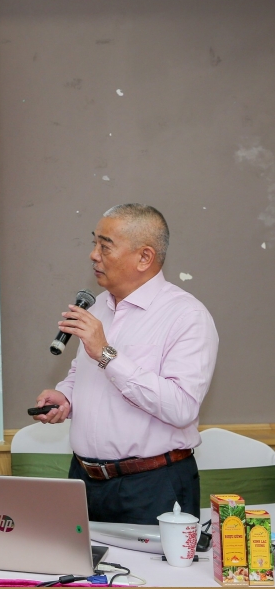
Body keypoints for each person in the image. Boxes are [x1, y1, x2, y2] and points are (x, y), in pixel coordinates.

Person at [32, 203, 219, 524]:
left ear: (144, 257)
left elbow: (182, 407)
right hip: (84, 480)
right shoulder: (97, 308)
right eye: (94, 243)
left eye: (105, 246)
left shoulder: (187, 316)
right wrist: (66, 397)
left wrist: (106, 353)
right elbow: (84, 374)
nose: (93, 255)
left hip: (153, 485)